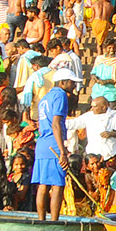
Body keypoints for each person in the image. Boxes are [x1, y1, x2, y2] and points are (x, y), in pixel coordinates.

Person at [32, 69, 79, 221]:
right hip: (53, 143)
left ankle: (41, 220)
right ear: (62, 82)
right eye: (71, 82)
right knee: (57, 185)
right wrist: (62, 151)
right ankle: (54, 221)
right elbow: (56, 124)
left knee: (43, 185)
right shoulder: (60, 95)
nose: (73, 85)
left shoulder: (45, 97)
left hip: (42, 144)